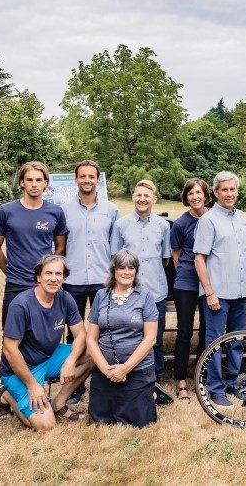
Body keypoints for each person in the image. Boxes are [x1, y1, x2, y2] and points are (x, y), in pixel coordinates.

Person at [0, 255, 93, 431]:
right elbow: (10, 350)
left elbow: (81, 335)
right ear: (38, 277)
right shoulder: (21, 304)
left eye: (58, 274)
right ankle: (6, 395)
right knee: (45, 425)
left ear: (63, 278)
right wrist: (32, 385)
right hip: (21, 369)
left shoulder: (65, 298)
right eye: (48, 273)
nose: (54, 278)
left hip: (50, 356)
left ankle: (59, 404)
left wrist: (70, 362)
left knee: (93, 352)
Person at [193, 171, 246, 407]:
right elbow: (199, 259)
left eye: (233, 189)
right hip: (217, 294)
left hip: (240, 291)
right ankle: (215, 389)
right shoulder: (208, 221)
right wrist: (209, 291)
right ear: (216, 193)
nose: (229, 194)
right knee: (215, 341)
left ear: (237, 192)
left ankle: (233, 383)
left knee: (237, 341)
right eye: (224, 190)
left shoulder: (242, 218)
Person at [60, 159, 118, 405]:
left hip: (102, 281)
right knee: (74, 335)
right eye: (82, 176)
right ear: (76, 180)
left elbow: (116, 251)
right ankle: (74, 386)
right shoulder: (62, 210)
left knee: (104, 332)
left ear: (98, 179)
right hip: (72, 281)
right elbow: (59, 246)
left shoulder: (111, 210)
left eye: (91, 176)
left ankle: (102, 380)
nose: (86, 180)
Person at [86, 249, 159, 427]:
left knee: (138, 420)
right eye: (122, 267)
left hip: (137, 370)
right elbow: (91, 338)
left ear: (136, 271)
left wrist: (125, 368)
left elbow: (150, 339)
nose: (127, 272)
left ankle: (149, 392)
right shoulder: (101, 295)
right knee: (100, 418)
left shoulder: (145, 296)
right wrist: (105, 369)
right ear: (113, 271)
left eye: (131, 268)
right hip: (107, 372)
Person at [0, 161, 67, 327]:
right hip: (16, 284)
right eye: (30, 179)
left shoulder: (55, 212)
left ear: (46, 184)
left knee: (44, 335)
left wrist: (49, 272)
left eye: (39, 180)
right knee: (11, 335)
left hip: (45, 284)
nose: (34, 184)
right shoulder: (6, 211)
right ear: (21, 182)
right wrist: (10, 270)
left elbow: (61, 245)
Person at [110, 179, 171, 386]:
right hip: (128, 292)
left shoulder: (163, 226)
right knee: (129, 337)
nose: (142, 199)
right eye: (138, 195)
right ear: (133, 196)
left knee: (155, 340)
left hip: (155, 292)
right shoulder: (121, 225)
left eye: (147, 195)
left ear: (154, 199)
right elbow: (115, 259)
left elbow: (165, 258)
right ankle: (130, 377)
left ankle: (156, 381)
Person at [171, 178, 209, 402]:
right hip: (185, 284)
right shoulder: (180, 224)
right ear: (186, 197)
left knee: (207, 331)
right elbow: (176, 255)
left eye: (199, 193)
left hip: (210, 285)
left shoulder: (214, 217)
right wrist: (187, 272)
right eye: (191, 193)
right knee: (184, 333)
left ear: (206, 195)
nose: (195, 197)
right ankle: (181, 381)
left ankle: (201, 376)